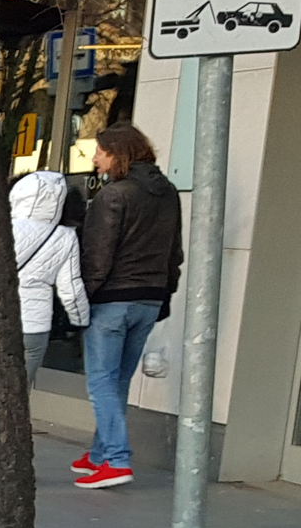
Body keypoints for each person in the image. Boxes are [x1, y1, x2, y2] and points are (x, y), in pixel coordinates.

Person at [77, 123, 183, 490]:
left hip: (113, 300)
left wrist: (83, 298)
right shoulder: (167, 193)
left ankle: (118, 459)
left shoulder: (113, 196)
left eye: (100, 152)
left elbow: (98, 255)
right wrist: (164, 293)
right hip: (150, 298)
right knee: (118, 379)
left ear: (117, 153)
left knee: (101, 381)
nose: (94, 159)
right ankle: (99, 453)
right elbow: (174, 252)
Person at [10, 170, 88, 391]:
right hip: (35, 324)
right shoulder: (65, 236)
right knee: (21, 391)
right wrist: (81, 320)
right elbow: (70, 288)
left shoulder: (1, 226)